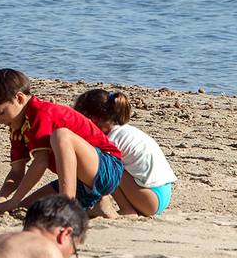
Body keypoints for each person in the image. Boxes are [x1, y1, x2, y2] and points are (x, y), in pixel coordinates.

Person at [0, 68, 126, 218]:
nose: (0, 121)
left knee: (61, 135)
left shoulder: (41, 113)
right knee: (24, 209)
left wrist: (14, 199)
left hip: (107, 167)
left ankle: (67, 204)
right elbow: (17, 172)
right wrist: (2, 198)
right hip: (79, 182)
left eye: (2, 112)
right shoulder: (17, 127)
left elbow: (40, 162)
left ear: (20, 98)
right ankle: (96, 206)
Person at [74, 88, 178, 217]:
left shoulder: (110, 140)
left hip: (150, 199)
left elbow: (95, 171)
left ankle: (126, 209)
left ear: (93, 120)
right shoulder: (123, 130)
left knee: (106, 166)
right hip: (162, 193)